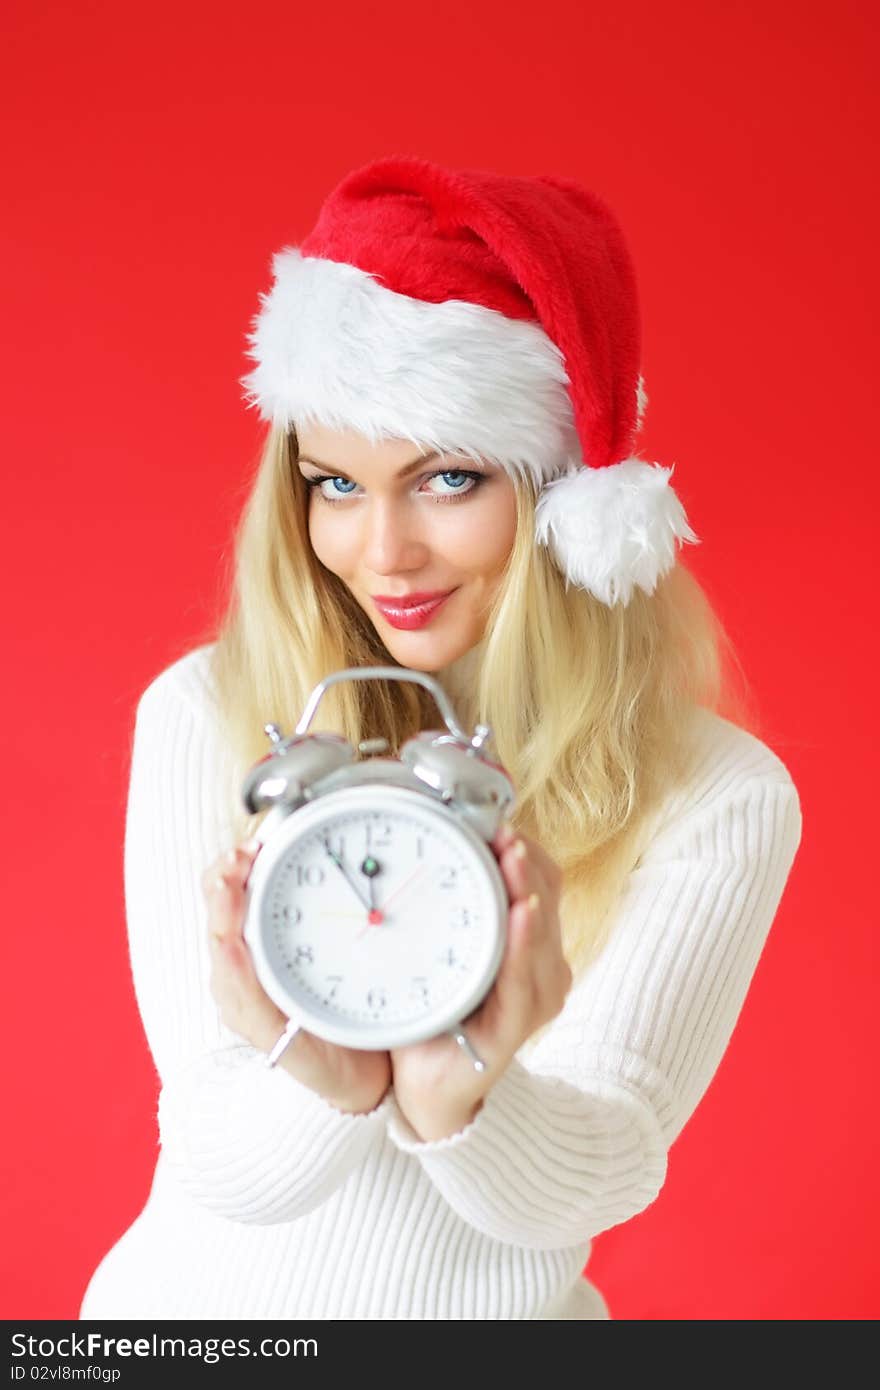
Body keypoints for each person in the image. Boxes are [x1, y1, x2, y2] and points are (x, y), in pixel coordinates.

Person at [79, 155, 803, 1321]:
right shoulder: (205, 714)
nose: (382, 552)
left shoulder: (715, 795)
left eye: (448, 478)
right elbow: (216, 1154)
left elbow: (602, 1166)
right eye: (335, 484)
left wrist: (462, 1091)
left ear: (565, 487)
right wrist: (320, 1073)